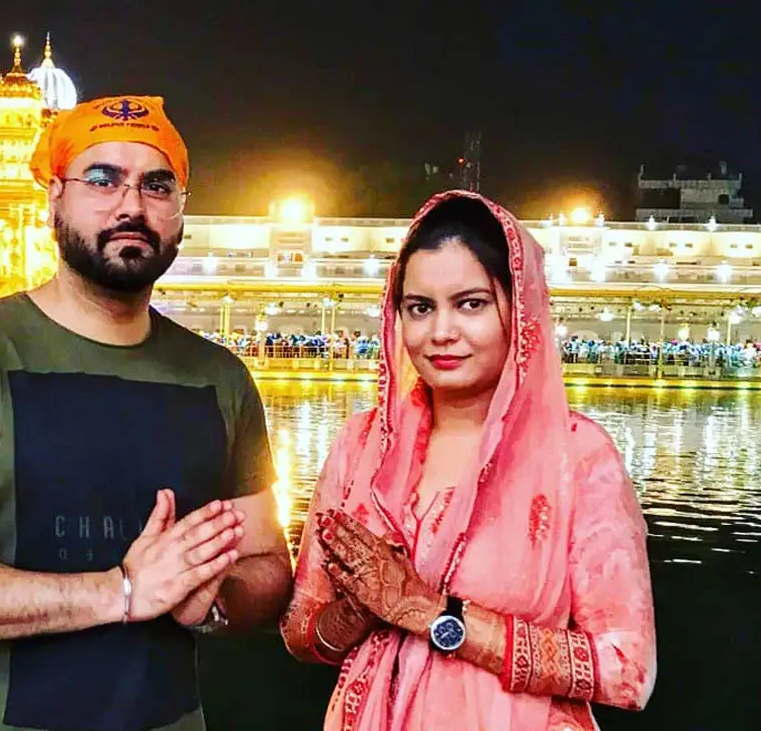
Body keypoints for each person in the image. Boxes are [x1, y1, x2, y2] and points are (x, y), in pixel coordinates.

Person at [0, 95, 292, 731]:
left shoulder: (218, 378)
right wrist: (118, 592)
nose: (130, 205)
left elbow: (268, 565)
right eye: (102, 179)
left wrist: (214, 601)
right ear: (54, 199)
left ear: (180, 212)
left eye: (156, 184)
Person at [280, 191, 656, 730]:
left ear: (519, 310)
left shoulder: (577, 456)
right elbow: (301, 635)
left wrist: (433, 613)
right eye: (420, 308)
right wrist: (359, 610)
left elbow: (628, 670)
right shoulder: (362, 446)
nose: (441, 332)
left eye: (471, 303)